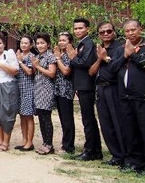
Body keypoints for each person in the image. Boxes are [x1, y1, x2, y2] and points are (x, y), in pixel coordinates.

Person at [111, 19, 145, 176]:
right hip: (125, 97)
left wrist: (133, 55)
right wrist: (125, 55)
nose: (130, 33)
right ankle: (135, 162)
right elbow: (112, 68)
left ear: (141, 29)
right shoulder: (121, 49)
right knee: (130, 131)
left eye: (133, 30)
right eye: (127, 31)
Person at [89, 22, 124, 166]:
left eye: (108, 31)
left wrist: (106, 58)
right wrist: (99, 58)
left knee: (118, 122)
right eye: (102, 32)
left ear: (114, 32)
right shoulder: (99, 49)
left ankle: (125, 155)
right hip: (100, 89)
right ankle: (115, 155)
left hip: (114, 88)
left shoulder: (120, 47)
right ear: (98, 34)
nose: (105, 34)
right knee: (106, 124)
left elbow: (117, 68)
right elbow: (91, 72)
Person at [67, 17, 102, 161]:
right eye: (75, 28)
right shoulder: (81, 44)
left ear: (88, 29)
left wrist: (72, 57)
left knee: (88, 119)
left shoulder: (88, 43)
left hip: (87, 85)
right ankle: (95, 150)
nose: (77, 31)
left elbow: (86, 62)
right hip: (81, 85)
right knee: (87, 119)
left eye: (80, 28)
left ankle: (90, 151)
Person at [31, 32, 57, 155]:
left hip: (47, 90)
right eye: (38, 43)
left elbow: (52, 73)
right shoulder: (38, 56)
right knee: (41, 117)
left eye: (42, 43)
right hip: (38, 90)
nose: (40, 45)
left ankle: (49, 144)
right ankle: (44, 142)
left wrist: (37, 66)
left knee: (46, 118)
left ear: (48, 44)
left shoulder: (50, 56)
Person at [53, 32, 76, 154]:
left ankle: (69, 146)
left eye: (64, 40)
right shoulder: (60, 54)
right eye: (60, 40)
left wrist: (57, 58)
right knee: (62, 119)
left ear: (70, 42)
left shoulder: (69, 55)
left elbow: (66, 71)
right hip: (58, 90)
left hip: (66, 90)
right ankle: (65, 143)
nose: (61, 42)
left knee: (67, 119)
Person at [14, 35, 36, 152]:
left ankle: (30, 142)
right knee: (22, 115)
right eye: (22, 42)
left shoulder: (32, 56)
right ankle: (24, 140)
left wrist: (19, 61)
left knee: (28, 116)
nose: (23, 45)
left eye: (26, 43)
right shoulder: (19, 55)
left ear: (31, 45)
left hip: (28, 88)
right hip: (19, 88)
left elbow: (29, 72)